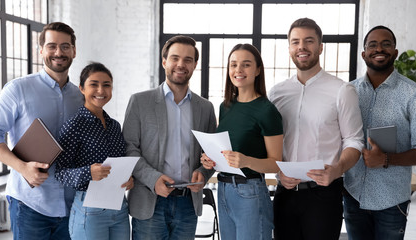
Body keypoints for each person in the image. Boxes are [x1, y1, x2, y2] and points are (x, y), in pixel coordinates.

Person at [269, 18, 364, 240]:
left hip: (323, 194)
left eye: (308, 41)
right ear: (290, 48)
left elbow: (354, 140)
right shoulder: (276, 93)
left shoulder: (342, 90)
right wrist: (277, 173)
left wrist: (338, 168)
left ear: (320, 47)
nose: (301, 47)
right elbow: (271, 142)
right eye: (295, 42)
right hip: (284, 192)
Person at [122, 35, 217, 240]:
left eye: (188, 60)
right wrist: (152, 178)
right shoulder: (140, 102)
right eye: (175, 58)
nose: (181, 64)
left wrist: (203, 173)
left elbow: (211, 154)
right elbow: (128, 148)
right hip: (150, 201)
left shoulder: (205, 108)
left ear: (194, 65)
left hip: (187, 204)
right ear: (164, 61)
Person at [0, 22, 83, 240]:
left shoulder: (81, 96)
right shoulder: (18, 89)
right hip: (29, 204)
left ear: (74, 51)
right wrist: (22, 167)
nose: (58, 52)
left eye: (65, 46)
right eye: (51, 46)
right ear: (41, 49)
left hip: (72, 204)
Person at [343, 26, 416, 240]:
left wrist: (386, 159)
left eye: (386, 44)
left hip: (391, 201)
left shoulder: (413, 94)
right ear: (364, 53)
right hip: (353, 195)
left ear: (395, 52)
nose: (379, 48)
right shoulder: (349, 92)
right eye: (373, 44)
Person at [201, 43, 283, 240]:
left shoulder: (267, 110)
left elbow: (276, 163)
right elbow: (228, 150)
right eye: (233, 64)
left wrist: (246, 161)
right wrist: (210, 159)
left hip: (250, 192)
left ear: (257, 70)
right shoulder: (225, 107)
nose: (238, 70)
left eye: (246, 65)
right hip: (223, 188)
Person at [54, 62, 134, 239]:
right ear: (82, 88)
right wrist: (88, 172)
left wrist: (129, 179)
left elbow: (120, 163)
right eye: (94, 84)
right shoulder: (74, 125)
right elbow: (60, 173)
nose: (101, 90)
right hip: (89, 210)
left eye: (106, 85)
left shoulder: (114, 125)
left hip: (119, 207)